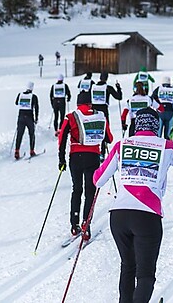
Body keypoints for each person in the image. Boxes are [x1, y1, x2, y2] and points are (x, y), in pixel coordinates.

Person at [93, 108, 173, 303]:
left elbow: (98, 180)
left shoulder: (122, 145)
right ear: (157, 126)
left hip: (119, 216)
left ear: (137, 125)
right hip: (147, 216)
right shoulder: (166, 146)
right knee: (145, 274)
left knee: (128, 266)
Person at [58, 89, 113, 239]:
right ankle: (86, 224)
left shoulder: (71, 117)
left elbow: (62, 137)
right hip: (93, 157)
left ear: (78, 103)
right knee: (90, 191)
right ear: (90, 103)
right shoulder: (100, 116)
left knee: (77, 189)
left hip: (75, 157)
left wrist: (61, 159)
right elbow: (109, 138)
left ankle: (74, 224)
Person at [14, 81, 40, 159]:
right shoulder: (33, 96)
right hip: (29, 118)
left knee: (19, 134)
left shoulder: (20, 95)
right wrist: (36, 118)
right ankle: (32, 151)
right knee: (31, 134)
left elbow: (16, 103)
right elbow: (36, 108)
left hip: (21, 117)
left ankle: (17, 151)